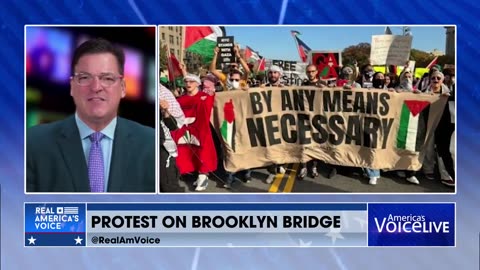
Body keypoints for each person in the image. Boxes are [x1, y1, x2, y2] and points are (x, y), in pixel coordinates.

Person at [27, 38, 155, 192]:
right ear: (72, 87)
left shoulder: (152, 144)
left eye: (107, 78)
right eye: (85, 78)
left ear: (122, 88)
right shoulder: (33, 142)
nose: (96, 87)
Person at [170, 74, 217, 191]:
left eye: (191, 81)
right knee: (184, 150)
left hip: (201, 131)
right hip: (184, 131)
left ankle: (203, 175)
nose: (188, 84)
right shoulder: (180, 100)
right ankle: (183, 172)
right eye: (186, 82)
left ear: (197, 84)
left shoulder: (205, 97)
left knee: (202, 151)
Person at [159, 84, 185, 192]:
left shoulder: (163, 92)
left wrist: (166, 111)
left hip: (160, 145)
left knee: (168, 184)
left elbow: (173, 126)